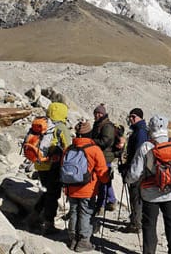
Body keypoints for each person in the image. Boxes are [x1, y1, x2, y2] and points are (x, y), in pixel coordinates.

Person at [126, 115, 171, 254]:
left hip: (150, 194)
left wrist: (127, 179)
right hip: (170, 192)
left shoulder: (146, 146)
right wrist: (170, 177)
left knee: (149, 225)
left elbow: (135, 173)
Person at [65, 120, 110, 252]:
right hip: (87, 189)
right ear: (89, 133)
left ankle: (73, 239)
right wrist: (106, 179)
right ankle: (83, 242)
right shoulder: (94, 149)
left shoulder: (69, 148)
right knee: (85, 213)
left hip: (71, 187)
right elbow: (102, 171)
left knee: (73, 212)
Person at [29, 102, 72, 234]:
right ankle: (48, 223)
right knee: (53, 194)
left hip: (39, 163)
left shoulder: (41, 124)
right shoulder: (60, 127)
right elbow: (68, 147)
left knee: (48, 191)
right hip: (53, 165)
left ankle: (35, 216)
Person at [118, 108, 149, 233]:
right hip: (140, 168)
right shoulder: (139, 130)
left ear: (139, 117)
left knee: (135, 195)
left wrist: (128, 167)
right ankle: (136, 219)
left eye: (133, 116)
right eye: (130, 116)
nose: (131, 119)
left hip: (137, 169)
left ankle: (136, 223)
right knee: (136, 195)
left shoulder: (140, 132)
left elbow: (138, 153)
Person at [91, 103, 117, 213]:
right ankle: (111, 200)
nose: (97, 115)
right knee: (105, 180)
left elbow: (106, 141)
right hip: (99, 156)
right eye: (95, 113)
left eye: (99, 113)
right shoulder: (98, 124)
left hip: (105, 157)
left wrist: (92, 142)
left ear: (103, 114)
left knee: (103, 181)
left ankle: (101, 205)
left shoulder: (107, 126)